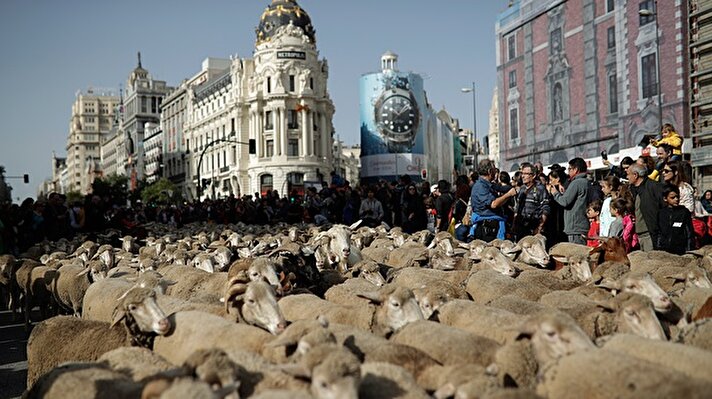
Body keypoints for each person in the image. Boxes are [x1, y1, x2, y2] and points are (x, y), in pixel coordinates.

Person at [469, 160, 517, 241]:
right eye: (494, 170)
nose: (496, 172)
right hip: (487, 230)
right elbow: (493, 204)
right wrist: (509, 194)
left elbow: (501, 188)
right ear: (489, 171)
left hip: (493, 227)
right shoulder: (480, 186)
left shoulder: (487, 184)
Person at [548, 157, 590, 245]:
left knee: (576, 255)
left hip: (575, 227)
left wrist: (555, 193)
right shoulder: (586, 182)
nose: (568, 171)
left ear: (576, 170)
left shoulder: (576, 183)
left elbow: (565, 201)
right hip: (581, 225)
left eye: (570, 169)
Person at [627, 163, 664, 251]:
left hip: (650, 235)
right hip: (639, 236)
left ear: (635, 175)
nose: (627, 177)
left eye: (628, 174)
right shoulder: (633, 190)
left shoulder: (654, 187)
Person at [514, 162, 550, 240]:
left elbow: (545, 208)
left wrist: (539, 227)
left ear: (533, 176)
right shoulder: (522, 188)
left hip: (533, 228)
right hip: (521, 227)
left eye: (526, 174)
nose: (522, 176)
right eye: (522, 173)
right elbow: (517, 208)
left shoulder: (540, 188)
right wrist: (514, 225)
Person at [657, 184, 694, 254]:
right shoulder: (661, 213)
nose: (676, 199)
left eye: (677, 197)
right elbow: (659, 232)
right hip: (664, 250)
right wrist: (659, 248)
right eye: (672, 197)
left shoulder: (684, 212)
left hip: (680, 250)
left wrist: (689, 251)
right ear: (665, 198)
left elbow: (689, 232)